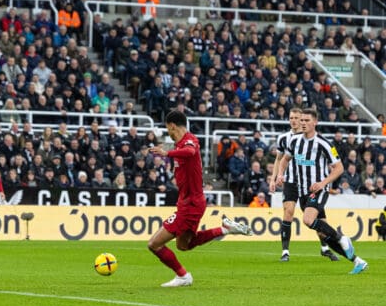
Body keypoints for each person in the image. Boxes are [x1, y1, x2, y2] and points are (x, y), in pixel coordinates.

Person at [147, 111, 253, 287]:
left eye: (168, 128)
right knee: (183, 245)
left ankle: (183, 276)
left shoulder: (189, 140)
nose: (168, 132)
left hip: (191, 204)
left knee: (154, 244)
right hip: (187, 202)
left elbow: (190, 151)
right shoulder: (179, 143)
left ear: (172, 125)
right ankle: (225, 230)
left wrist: (168, 153)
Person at [276, 108, 368, 274]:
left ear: (315, 122)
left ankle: (342, 238)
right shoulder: (294, 141)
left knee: (307, 219)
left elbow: (339, 168)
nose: (302, 123)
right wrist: (280, 174)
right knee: (323, 233)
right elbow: (284, 160)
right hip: (303, 190)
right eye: (301, 120)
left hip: (319, 189)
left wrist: (323, 182)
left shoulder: (324, 143)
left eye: (306, 121)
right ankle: (357, 261)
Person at [269, 108, 338, 262]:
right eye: (291, 117)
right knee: (288, 211)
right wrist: (275, 178)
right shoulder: (284, 138)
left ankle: (325, 247)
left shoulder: (313, 140)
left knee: (317, 218)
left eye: (297, 118)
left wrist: (324, 182)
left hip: (308, 184)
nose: (294, 121)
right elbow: (279, 159)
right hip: (290, 181)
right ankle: (285, 251)